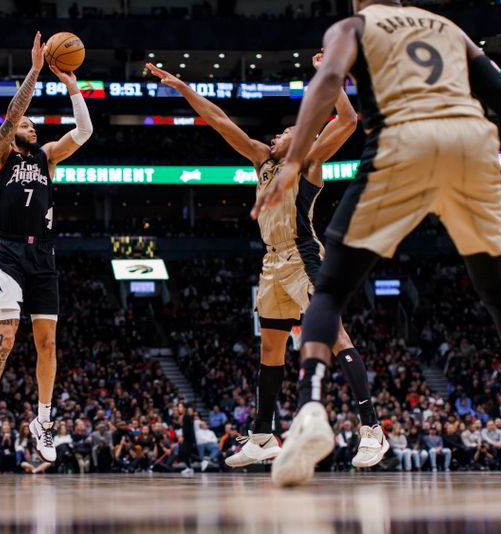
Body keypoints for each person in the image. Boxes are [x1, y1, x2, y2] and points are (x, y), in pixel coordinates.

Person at [252, 0, 501, 486]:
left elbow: (327, 81)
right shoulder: (448, 26)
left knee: (331, 289)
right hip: (471, 141)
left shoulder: (354, 25)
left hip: (404, 141)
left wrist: (294, 160)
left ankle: (312, 412)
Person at [146, 54, 388, 472]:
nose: (276, 135)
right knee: (271, 348)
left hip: (304, 256)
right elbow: (221, 121)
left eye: (285, 132)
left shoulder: (309, 161)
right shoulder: (262, 160)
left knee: (333, 334)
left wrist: (328, 74)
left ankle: (372, 428)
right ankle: (262, 435)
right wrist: (185, 89)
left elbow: (347, 122)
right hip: (272, 263)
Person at [0, 30, 93, 463]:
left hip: (44, 253)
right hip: (7, 253)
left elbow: (84, 129)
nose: (31, 124)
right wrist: (36, 71)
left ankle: (43, 420)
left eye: (33, 124)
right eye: (26, 124)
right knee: (6, 336)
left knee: (47, 343)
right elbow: (12, 113)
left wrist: (73, 86)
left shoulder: (48, 158)